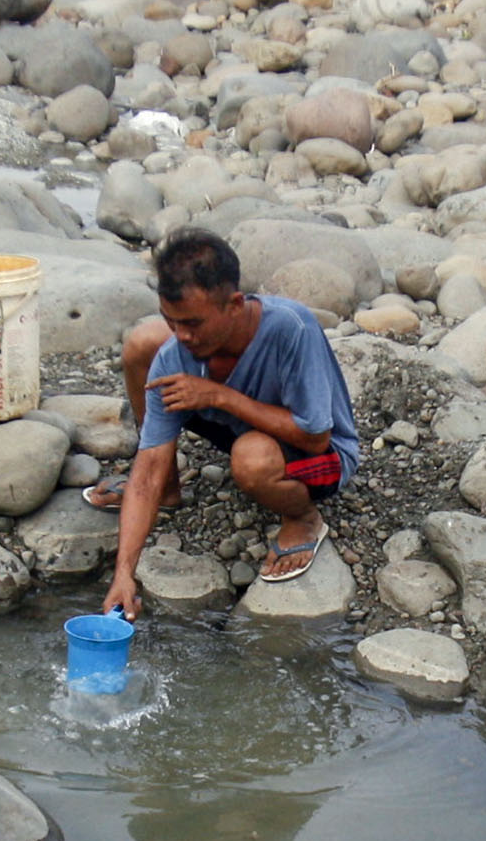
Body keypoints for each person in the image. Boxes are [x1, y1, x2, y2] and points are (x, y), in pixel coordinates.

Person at [96, 228, 359, 618]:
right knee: (146, 352)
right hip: (243, 429)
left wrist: (218, 395)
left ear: (235, 304)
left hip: (321, 454)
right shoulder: (176, 354)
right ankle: (170, 496)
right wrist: (124, 574)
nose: (182, 336)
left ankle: (303, 519)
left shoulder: (291, 329)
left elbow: (316, 436)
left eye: (194, 324)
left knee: (251, 459)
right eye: (171, 321)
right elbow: (148, 467)